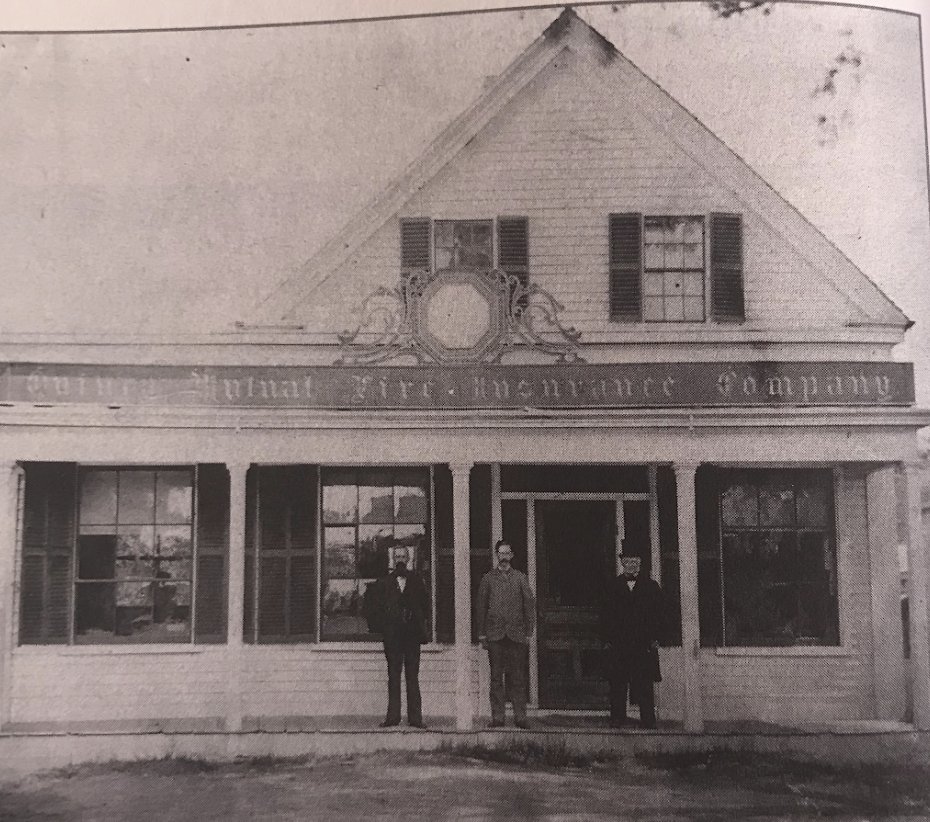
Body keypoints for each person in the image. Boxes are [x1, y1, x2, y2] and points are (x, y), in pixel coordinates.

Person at [363, 543, 429, 729]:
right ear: (394, 559)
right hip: (393, 638)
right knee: (393, 676)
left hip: (412, 638)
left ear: (408, 559)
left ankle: (415, 719)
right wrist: (386, 627)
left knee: (412, 677)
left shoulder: (417, 581)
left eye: (403, 556)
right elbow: (375, 610)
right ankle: (392, 718)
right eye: (397, 556)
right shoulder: (384, 583)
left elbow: (425, 606)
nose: (400, 559)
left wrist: (415, 619)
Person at [476, 540, 536, 729]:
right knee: (496, 678)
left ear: (511, 556)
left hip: (516, 635)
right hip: (495, 636)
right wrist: (482, 634)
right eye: (500, 553)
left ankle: (520, 717)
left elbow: (529, 605)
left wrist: (528, 632)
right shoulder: (488, 579)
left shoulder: (520, 578)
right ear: (496, 555)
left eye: (507, 553)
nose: (503, 557)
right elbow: (481, 607)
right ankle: (498, 717)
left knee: (517, 677)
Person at [600, 554, 663, 729]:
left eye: (635, 562)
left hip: (643, 643)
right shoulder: (612, 586)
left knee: (644, 682)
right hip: (619, 643)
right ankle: (617, 718)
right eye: (627, 562)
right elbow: (604, 615)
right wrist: (607, 639)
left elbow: (660, 614)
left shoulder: (651, 587)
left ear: (641, 564)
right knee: (618, 682)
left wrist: (656, 638)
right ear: (621, 563)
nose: (631, 566)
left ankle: (648, 720)